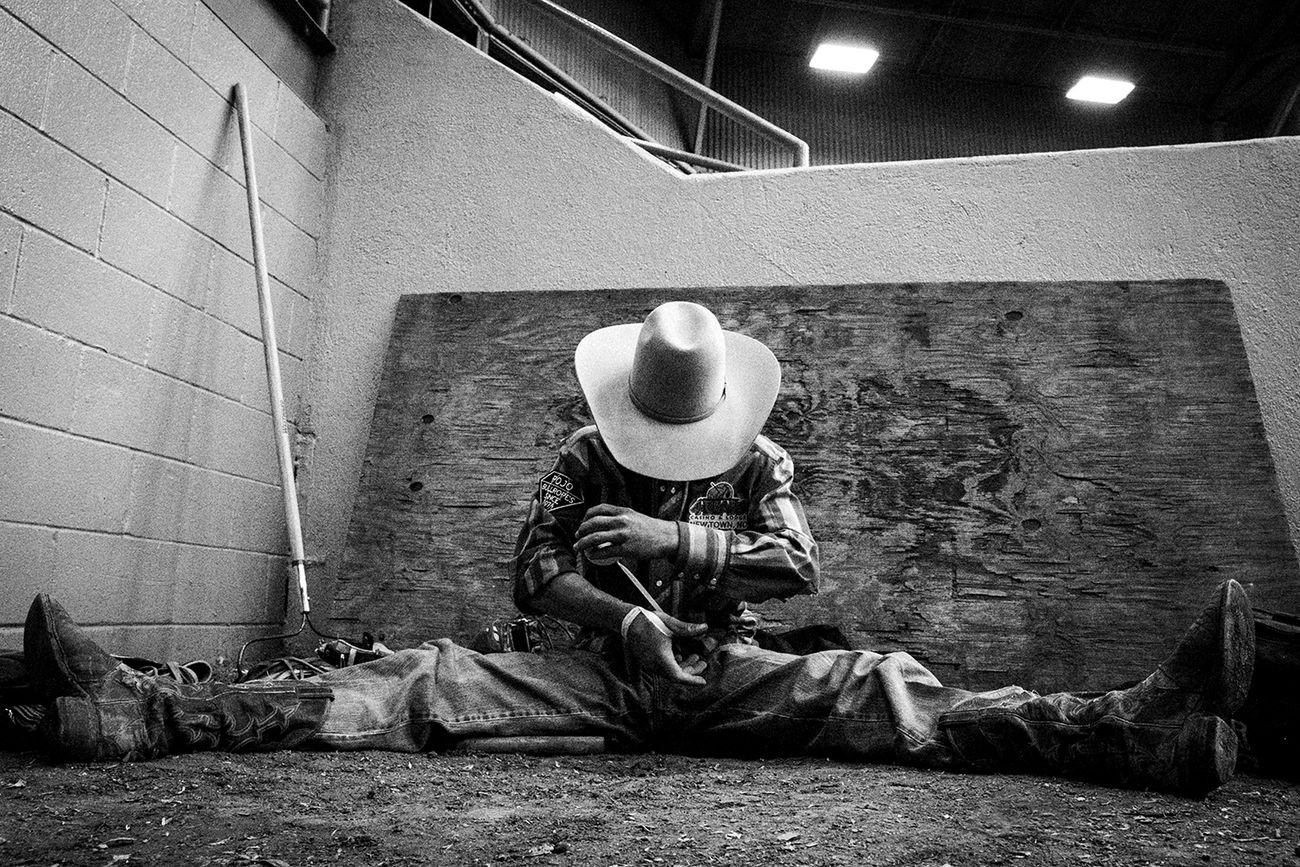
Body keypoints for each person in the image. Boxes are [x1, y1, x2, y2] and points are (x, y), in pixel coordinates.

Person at [22, 301, 1255, 798]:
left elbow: (799, 573)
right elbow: (529, 577)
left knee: (885, 687)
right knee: (416, 677)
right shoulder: (577, 454)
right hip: (596, 671)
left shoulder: (758, 463)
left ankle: (1134, 732)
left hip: (732, 669)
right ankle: (139, 715)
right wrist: (618, 614)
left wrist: (682, 543)